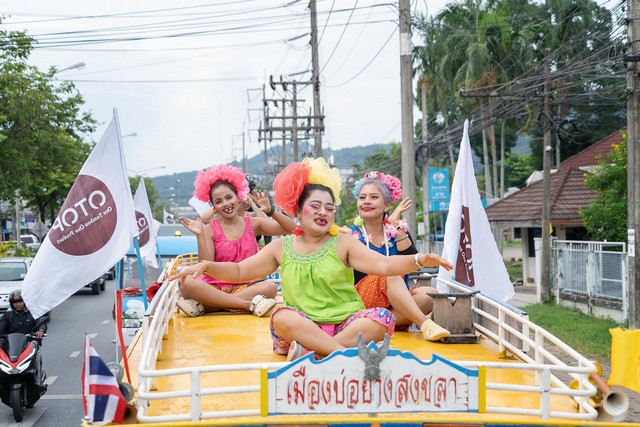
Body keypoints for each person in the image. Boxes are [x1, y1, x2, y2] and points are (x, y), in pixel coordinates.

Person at [170, 158, 453, 361]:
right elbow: (240, 270)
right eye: (315, 206)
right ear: (300, 211)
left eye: (329, 208)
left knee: (381, 318)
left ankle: (316, 351)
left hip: (344, 325)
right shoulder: (282, 247)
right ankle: (340, 355)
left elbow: (385, 266)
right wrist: (206, 265)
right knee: (282, 315)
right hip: (302, 326)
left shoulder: (343, 242)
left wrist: (419, 259)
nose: (323, 213)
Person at [176, 164, 295, 317]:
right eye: (218, 201)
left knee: (270, 287)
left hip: (248, 285)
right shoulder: (209, 229)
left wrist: (271, 211)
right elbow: (205, 264)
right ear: (214, 207)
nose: (225, 204)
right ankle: (246, 305)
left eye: (228, 197)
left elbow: (291, 229)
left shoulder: (254, 223)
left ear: (239, 198)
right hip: (214, 286)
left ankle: (209, 306)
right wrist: (199, 235)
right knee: (185, 282)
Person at [347, 171, 449, 341]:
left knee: (429, 294)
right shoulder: (349, 234)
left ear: (387, 205)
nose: (366, 201)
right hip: (361, 301)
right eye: (362, 197)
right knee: (391, 273)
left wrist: (396, 226)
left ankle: (382, 325)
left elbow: (413, 262)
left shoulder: (396, 232)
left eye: (373, 197)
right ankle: (424, 323)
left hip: (394, 301)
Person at [0, 289, 48, 387]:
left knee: (35, 352)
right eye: (15, 302)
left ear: (25, 302)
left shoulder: (33, 313)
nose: (17, 304)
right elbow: (1, 328)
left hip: (28, 344)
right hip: (11, 346)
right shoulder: (7, 315)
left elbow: (41, 324)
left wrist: (40, 331)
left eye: (20, 301)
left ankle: (38, 380)